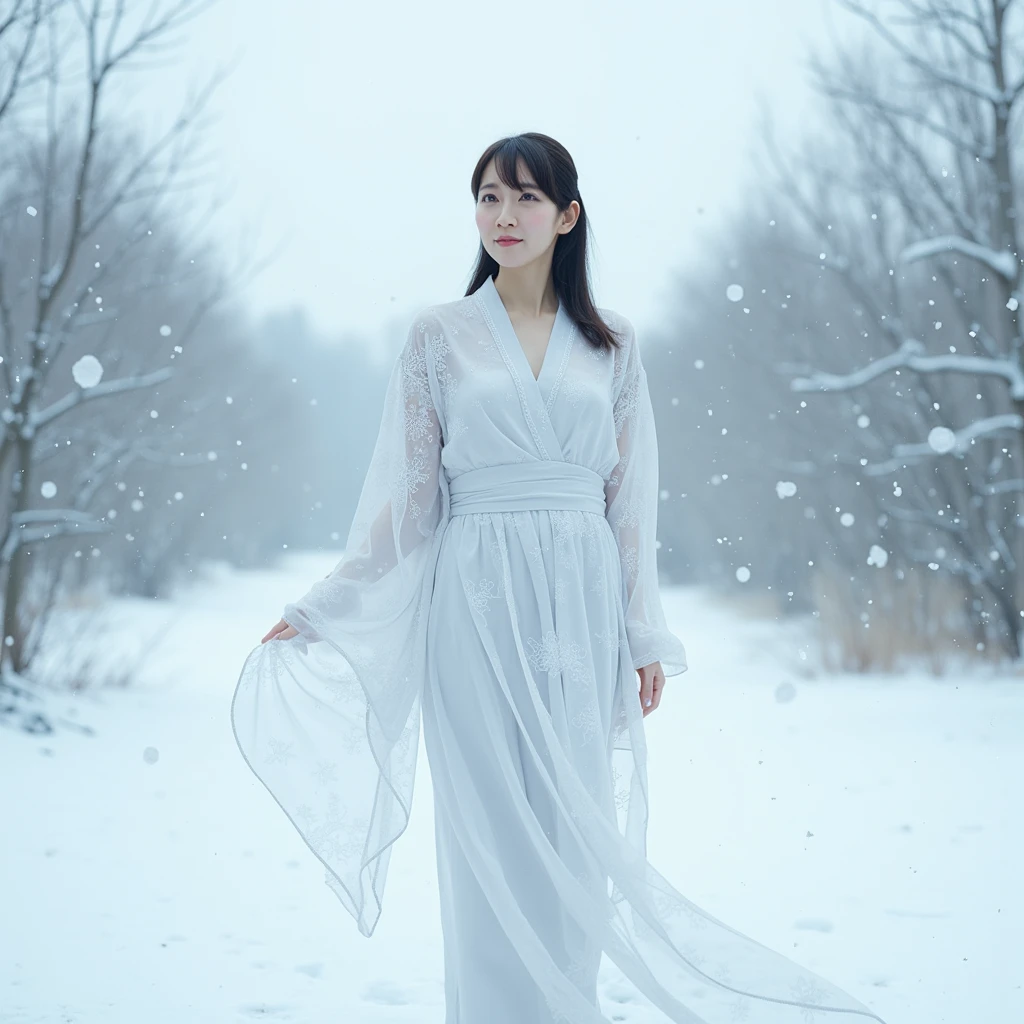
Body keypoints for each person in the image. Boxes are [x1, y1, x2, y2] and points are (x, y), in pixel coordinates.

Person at [230, 132, 887, 1024]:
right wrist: (323, 604)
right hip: (473, 603)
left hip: (578, 605)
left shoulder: (612, 346)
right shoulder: (440, 337)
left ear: (567, 215)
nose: (505, 215)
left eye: (527, 198)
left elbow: (630, 509)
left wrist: (643, 632)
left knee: (575, 833)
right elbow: (411, 500)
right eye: (490, 197)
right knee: (491, 836)